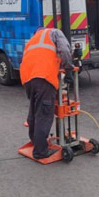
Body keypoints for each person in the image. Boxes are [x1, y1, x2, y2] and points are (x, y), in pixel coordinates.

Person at [20, 25, 75, 159]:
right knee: (44, 114)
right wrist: (68, 69)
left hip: (27, 78)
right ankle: (40, 151)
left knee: (34, 110)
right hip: (43, 77)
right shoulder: (55, 33)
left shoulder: (33, 40)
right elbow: (64, 50)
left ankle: (36, 141)